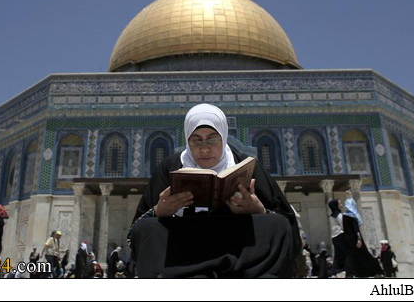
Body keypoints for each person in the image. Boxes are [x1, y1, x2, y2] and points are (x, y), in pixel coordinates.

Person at [128, 103, 301, 278]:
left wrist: (259, 210)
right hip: (187, 243)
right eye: (196, 140)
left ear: (223, 137)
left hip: (237, 242)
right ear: (187, 139)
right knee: (147, 227)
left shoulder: (245, 166)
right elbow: (137, 227)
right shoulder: (170, 167)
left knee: (277, 224)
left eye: (212, 139)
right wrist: (159, 211)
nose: (204, 149)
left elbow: (285, 220)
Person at [342, 194, 383, 278]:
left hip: (348, 239)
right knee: (365, 254)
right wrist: (359, 239)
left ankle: (352, 274)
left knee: (351, 256)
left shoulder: (344, 215)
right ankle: (377, 271)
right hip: (356, 239)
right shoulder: (353, 215)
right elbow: (356, 228)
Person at [328, 199, 347, 276]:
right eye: (339, 204)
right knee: (346, 254)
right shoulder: (339, 215)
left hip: (334, 237)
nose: (341, 205)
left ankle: (334, 271)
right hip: (340, 236)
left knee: (338, 255)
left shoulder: (331, 216)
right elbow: (344, 225)